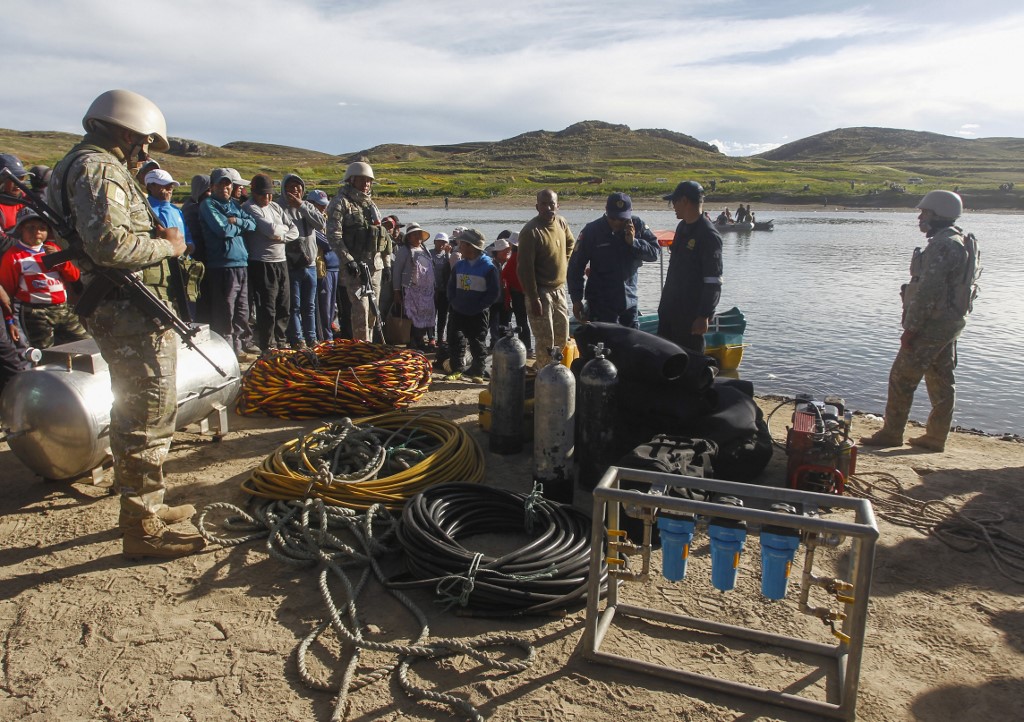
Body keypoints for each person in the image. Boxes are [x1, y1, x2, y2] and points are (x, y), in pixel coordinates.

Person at [47, 89, 204, 558]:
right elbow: (112, 248)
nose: (147, 151)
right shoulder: (98, 167)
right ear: (124, 131)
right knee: (147, 416)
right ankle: (142, 528)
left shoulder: (81, 164)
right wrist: (170, 247)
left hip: (124, 307)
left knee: (136, 410)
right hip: (129, 310)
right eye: (145, 141)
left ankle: (145, 505)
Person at [861, 190, 977, 453]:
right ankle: (936, 436)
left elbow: (928, 291)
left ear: (938, 214)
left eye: (925, 213)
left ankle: (892, 433)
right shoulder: (956, 240)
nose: (920, 217)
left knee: (902, 377)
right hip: (948, 323)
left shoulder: (944, 245)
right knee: (941, 378)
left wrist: (911, 328)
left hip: (932, 325)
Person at [567, 192, 660, 329]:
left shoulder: (637, 225)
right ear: (606, 211)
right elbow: (575, 267)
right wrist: (576, 299)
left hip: (629, 303)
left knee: (630, 347)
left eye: (622, 219)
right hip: (600, 304)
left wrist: (634, 242)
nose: (617, 222)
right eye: (613, 218)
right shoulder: (592, 231)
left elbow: (654, 253)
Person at [0, 207, 88, 348]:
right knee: (46, 353)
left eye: (42, 228)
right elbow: (7, 294)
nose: (37, 232)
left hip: (63, 309)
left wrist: (61, 260)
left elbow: (74, 276)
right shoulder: (13, 256)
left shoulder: (54, 248)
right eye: (31, 228)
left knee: (85, 343)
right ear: (21, 229)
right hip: (34, 314)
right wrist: (10, 321)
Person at [325, 161, 392, 341]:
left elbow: (383, 237)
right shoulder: (340, 203)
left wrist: (387, 264)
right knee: (360, 310)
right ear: (351, 180)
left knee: (373, 311)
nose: (366, 184)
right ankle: (361, 349)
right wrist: (348, 260)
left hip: (375, 266)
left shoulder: (371, 205)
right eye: (362, 180)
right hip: (355, 268)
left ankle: (368, 346)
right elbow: (334, 236)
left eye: (368, 180)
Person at [657, 181, 723, 353]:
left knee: (689, 365)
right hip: (670, 310)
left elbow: (713, 280)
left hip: (689, 315)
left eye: (674, 202)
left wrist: (704, 315)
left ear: (684, 201)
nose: (672, 207)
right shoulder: (683, 226)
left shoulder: (708, 235)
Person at [200, 167, 258, 360]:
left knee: (243, 309)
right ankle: (228, 348)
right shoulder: (208, 205)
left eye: (228, 184)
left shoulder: (235, 206)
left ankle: (241, 346)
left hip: (242, 262)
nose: (225, 188)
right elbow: (222, 230)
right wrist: (238, 224)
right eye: (221, 184)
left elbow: (253, 224)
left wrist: (236, 221)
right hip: (222, 265)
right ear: (213, 186)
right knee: (226, 309)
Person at [516, 189, 575, 368]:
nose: (549, 207)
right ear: (537, 206)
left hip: (559, 289)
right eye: (544, 204)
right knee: (545, 340)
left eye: (552, 204)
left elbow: (571, 243)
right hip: (540, 292)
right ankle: (543, 375)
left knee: (562, 336)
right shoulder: (531, 232)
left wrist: (563, 263)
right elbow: (524, 268)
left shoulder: (562, 223)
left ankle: (555, 371)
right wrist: (533, 297)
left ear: (558, 205)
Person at [241, 174, 298, 352]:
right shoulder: (249, 207)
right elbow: (270, 229)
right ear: (254, 192)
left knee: (284, 304)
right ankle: (268, 344)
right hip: (262, 262)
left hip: (281, 261)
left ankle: (281, 341)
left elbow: (294, 230)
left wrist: (281, 236)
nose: (267, 198)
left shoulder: (274, 207)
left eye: (269, 194)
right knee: (267, 307)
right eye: (263, 195)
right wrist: (280, 232)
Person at [445, 228, 500, 381]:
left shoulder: (489, 267)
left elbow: (494, 293)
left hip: (478, 312)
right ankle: (456, 369)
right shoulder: (460, 265)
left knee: (477, 342)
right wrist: (454, 302)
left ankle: (478, 372)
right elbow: (451, 287)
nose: (459, 247)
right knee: (455, 340)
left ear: (471, 246)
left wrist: (481, 306)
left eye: (461, 244)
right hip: (458, 310)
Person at [279, 174, 325, 349]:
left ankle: (312, 337)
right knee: (295, 305)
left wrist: (302, 206)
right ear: (284, 189)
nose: (295, 191)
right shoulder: (279, 207)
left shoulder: (307, 206)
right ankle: (297, 339)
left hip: (311, 263)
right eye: (291, 187)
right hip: (292, 264)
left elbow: (321, 223)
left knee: (310, 304)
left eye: (298, 187)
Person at [392, 222, 435, 350]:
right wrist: (397, 291)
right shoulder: (404, 251)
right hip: (412, 290)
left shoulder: (425, 249)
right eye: (414, 235)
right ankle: (412, 342)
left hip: (427, 292)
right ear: (409, 237)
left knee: (425, 315)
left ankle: (420, 340)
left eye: (419, 234)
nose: (418, 237)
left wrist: (435, 286)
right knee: (412, 316)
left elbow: (431, 268)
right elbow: (397, 271)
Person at [307, 190, 339, 339]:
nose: (323, 208)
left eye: (324, 205)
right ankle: (325, 338)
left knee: (332, 307)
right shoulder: (311, 222)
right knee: (323, 307)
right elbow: (329, 242)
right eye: (319, 205)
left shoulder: (327, 219)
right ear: (311, 204)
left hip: (334, 267)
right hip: (322, 269)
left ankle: (329, 334)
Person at [500, 232, 532, 357]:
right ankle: (529, 348)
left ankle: (526, 347)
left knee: (521, 321)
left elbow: (504, 274)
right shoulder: (527, 256)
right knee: (527, 321)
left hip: (517, 294)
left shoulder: (514, 257)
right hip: (528, 292)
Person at [0, 153, 30, 254]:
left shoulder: (29, 200)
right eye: (13, 178)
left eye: (21, 178)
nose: (18, 183)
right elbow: (2, 243)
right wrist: (31, 243)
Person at [487, 234, 512, 348]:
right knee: (494, 323)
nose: (507, 252)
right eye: (504, 250)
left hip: (504, 300)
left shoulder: (505, 264)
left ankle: (499, 343)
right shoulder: (492, 265)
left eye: (508, 250)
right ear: (497, 252)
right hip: (494, 301)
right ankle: (495, 344)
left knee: (502, 324)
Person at [428, 231, 451, 349]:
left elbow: (450, 269)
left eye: (444, 242)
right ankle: (431, 338)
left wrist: (448, 254)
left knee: (443, 315)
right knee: (431, 314)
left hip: (444, 290)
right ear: (434, 242)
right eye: (439, 242)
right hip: (431, 290)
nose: (441, 244)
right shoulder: (429, 253)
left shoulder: (447, 255)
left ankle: (440, 337)